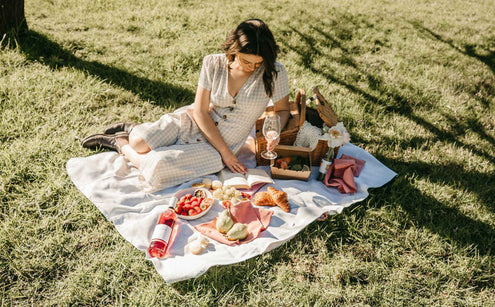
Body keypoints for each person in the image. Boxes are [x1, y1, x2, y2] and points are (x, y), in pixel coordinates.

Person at [82, 19, 290, 191]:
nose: (252, 68)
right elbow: (200, 111)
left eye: (258, 63)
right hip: (194, 121)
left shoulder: (275, 72)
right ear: (234, 50)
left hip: (217, 150)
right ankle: (132, 131)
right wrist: (226, 154)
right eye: (246, 62)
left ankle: (120, 145)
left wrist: (274, 129)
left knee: (158, 167)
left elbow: (282, 111)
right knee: (140, 141)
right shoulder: (213, 63)